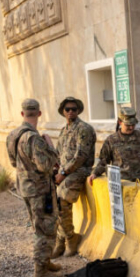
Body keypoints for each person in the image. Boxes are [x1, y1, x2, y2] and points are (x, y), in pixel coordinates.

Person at [6, 99, 63, 277]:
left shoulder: (13, 135)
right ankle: (41, 272)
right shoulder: (33, 138)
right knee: (44, 229)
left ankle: (45, 262)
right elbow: (46, 165)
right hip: (40, 190)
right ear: (39, 113)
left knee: (37, 225)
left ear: (22, 114)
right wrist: (50, 147)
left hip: (25, 187)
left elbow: (14, 162)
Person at [52, 97, 96, 259]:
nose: (71, 112)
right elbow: (58, 154)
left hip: (79, 171)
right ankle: (60, 240)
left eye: (74, 109)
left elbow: (81, 156)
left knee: (61, 200)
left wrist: (63, 173)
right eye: (68, 109)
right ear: (63, 112)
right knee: (53, 201)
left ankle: (71, 238)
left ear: (78, 111)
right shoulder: (64, 131)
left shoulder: (84, 129)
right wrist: (56, 169)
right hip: (64, 172)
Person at [88, 107, 140, 187]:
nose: (131, 127)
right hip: (121, 184)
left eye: (133, 124)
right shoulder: (111, 140)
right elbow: (103, 161)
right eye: (128, 125)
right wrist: (95, 173)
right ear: (120, 122)